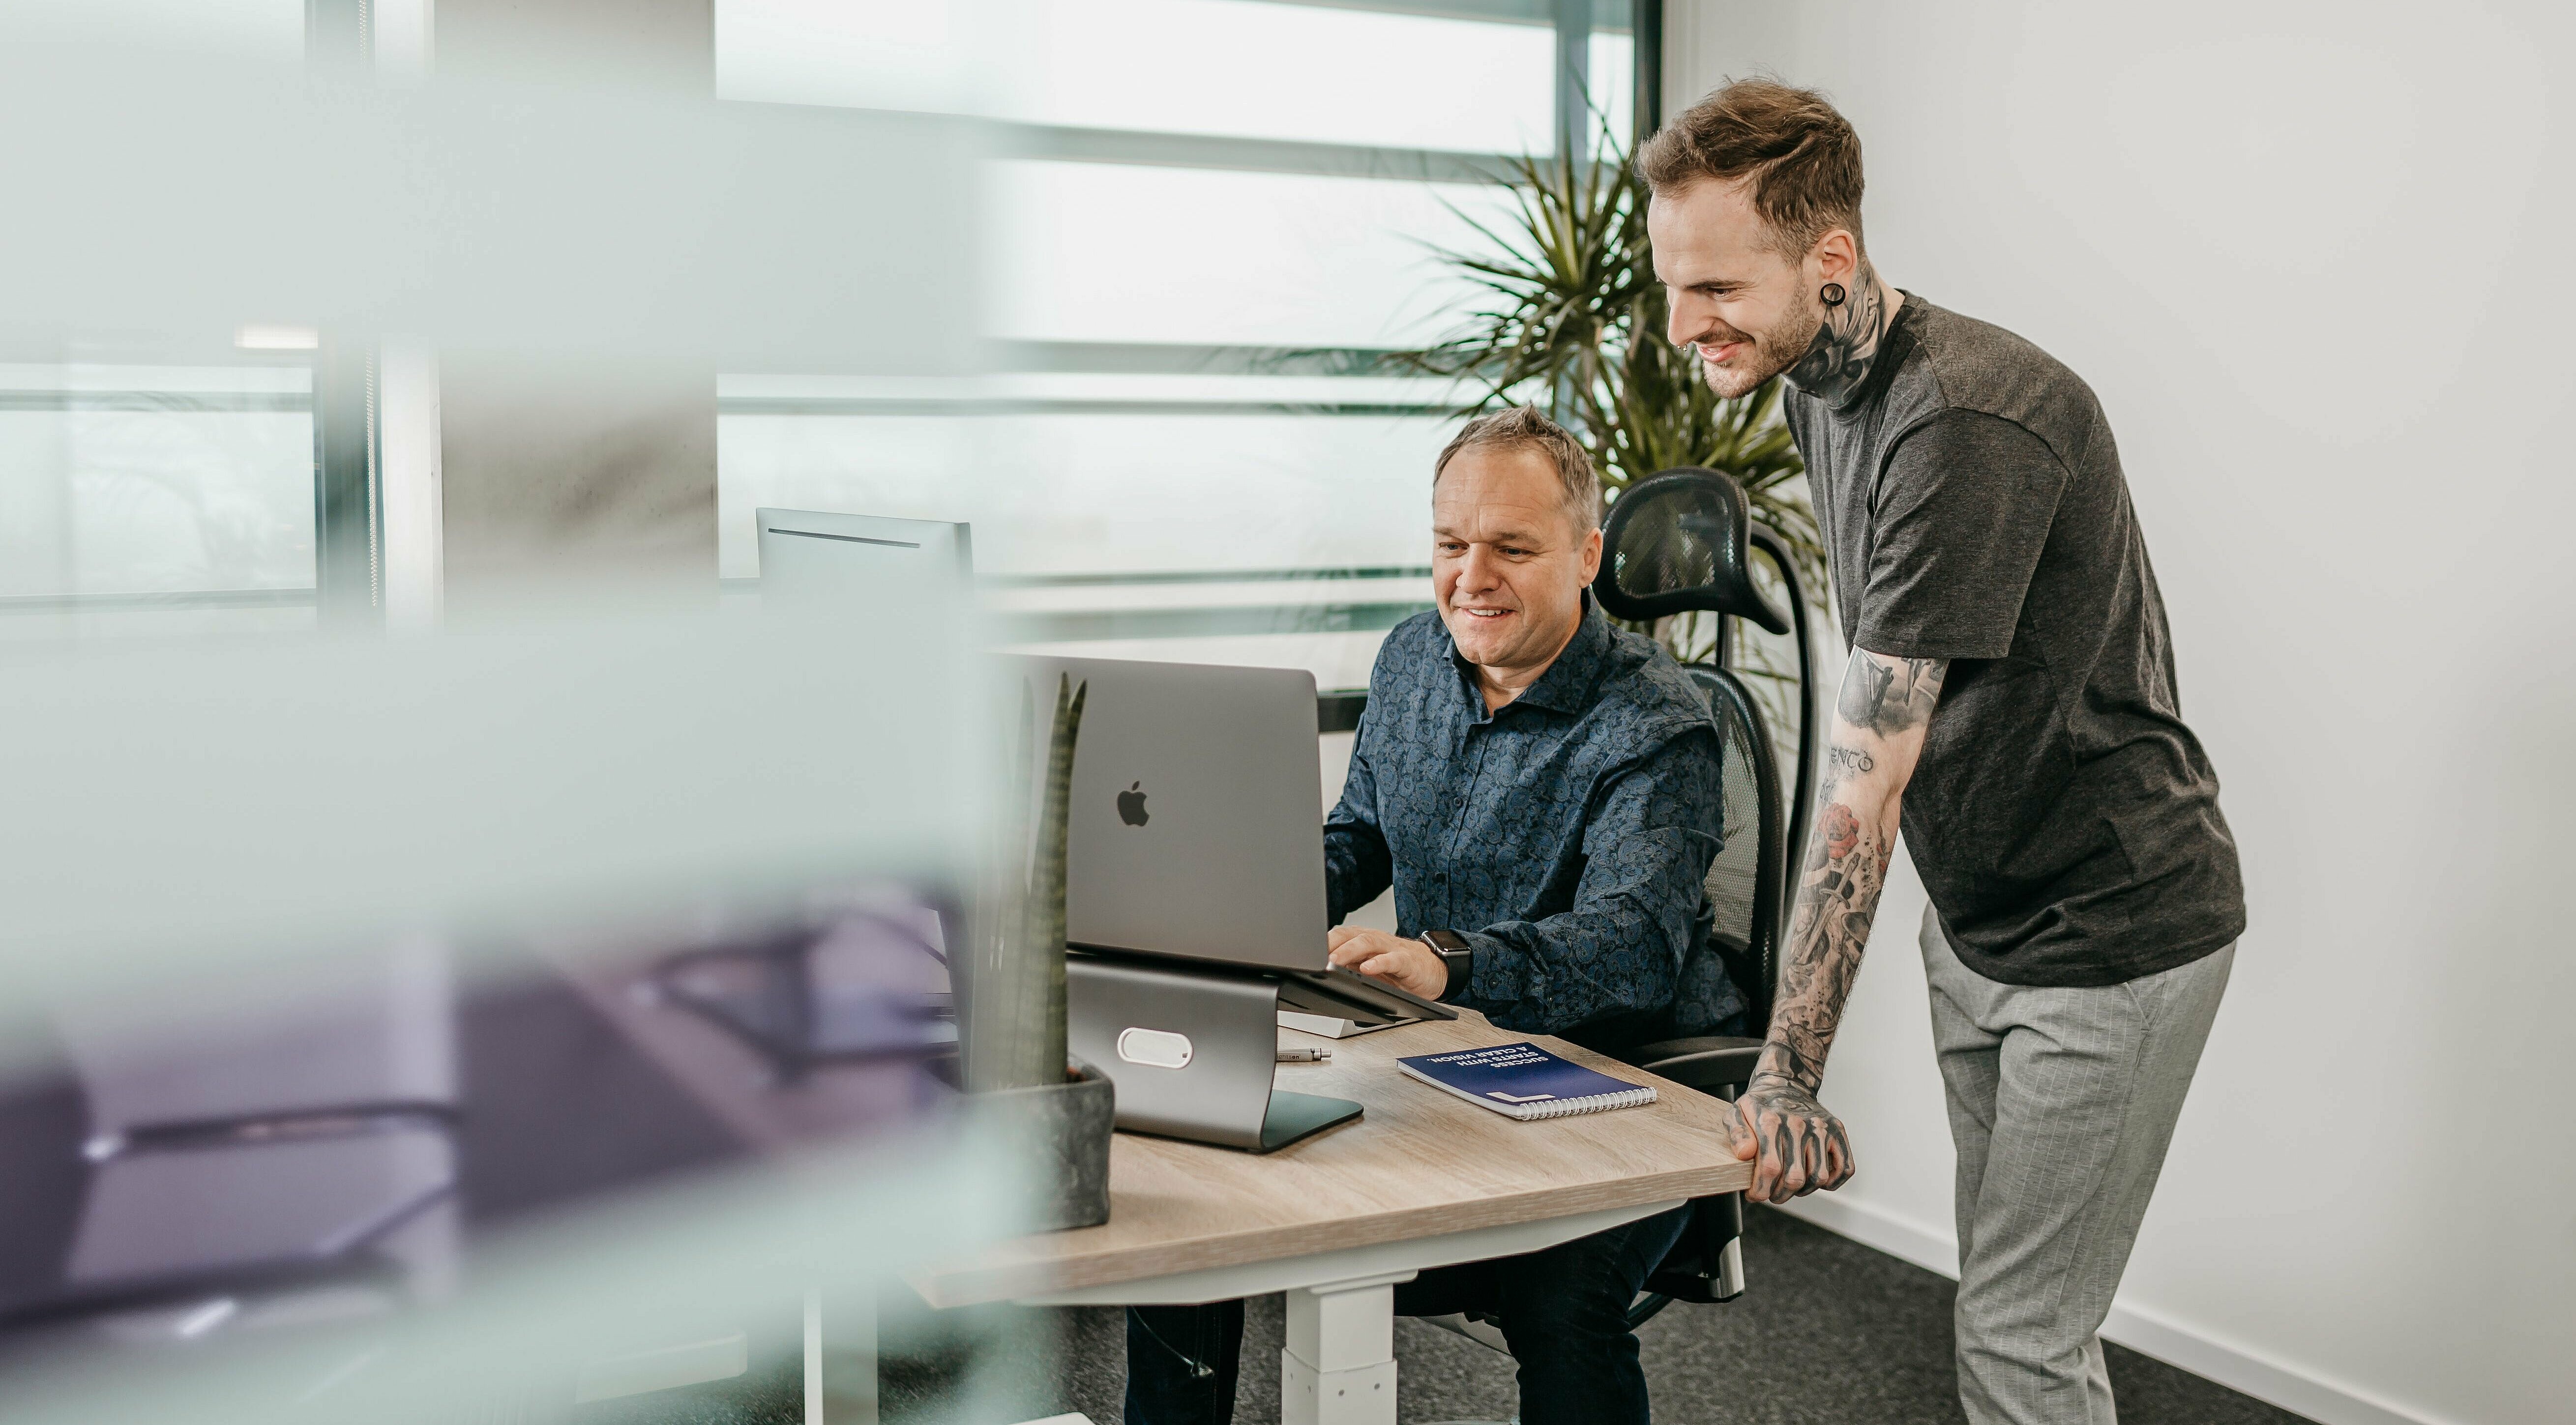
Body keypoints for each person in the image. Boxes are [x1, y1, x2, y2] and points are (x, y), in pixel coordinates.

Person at [1639, 80, 2248, 1425]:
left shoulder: (1966, 419)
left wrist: (1789, 1065)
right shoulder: (1815, 385)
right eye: (1673, 286)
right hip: (1979, 915)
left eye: (1718, 287)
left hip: (2111, 924)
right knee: (2016, 1304)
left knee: (2022, 1336)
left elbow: (1867, 765)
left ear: (1831, 262)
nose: (1686, 327)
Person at [1123, 406, 1742, 1425]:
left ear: (1585, 556)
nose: (1472, 576)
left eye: (1511, 547)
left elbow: (1630, 948)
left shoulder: (1655, 725)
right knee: (1205, 1201)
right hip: (1437, 1056)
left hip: (1610, 1086)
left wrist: (1446, 960)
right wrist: (1226, 896)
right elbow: (1360, 836)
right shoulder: (1415, 657)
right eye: (1451, 545)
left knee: (1561, 1298)